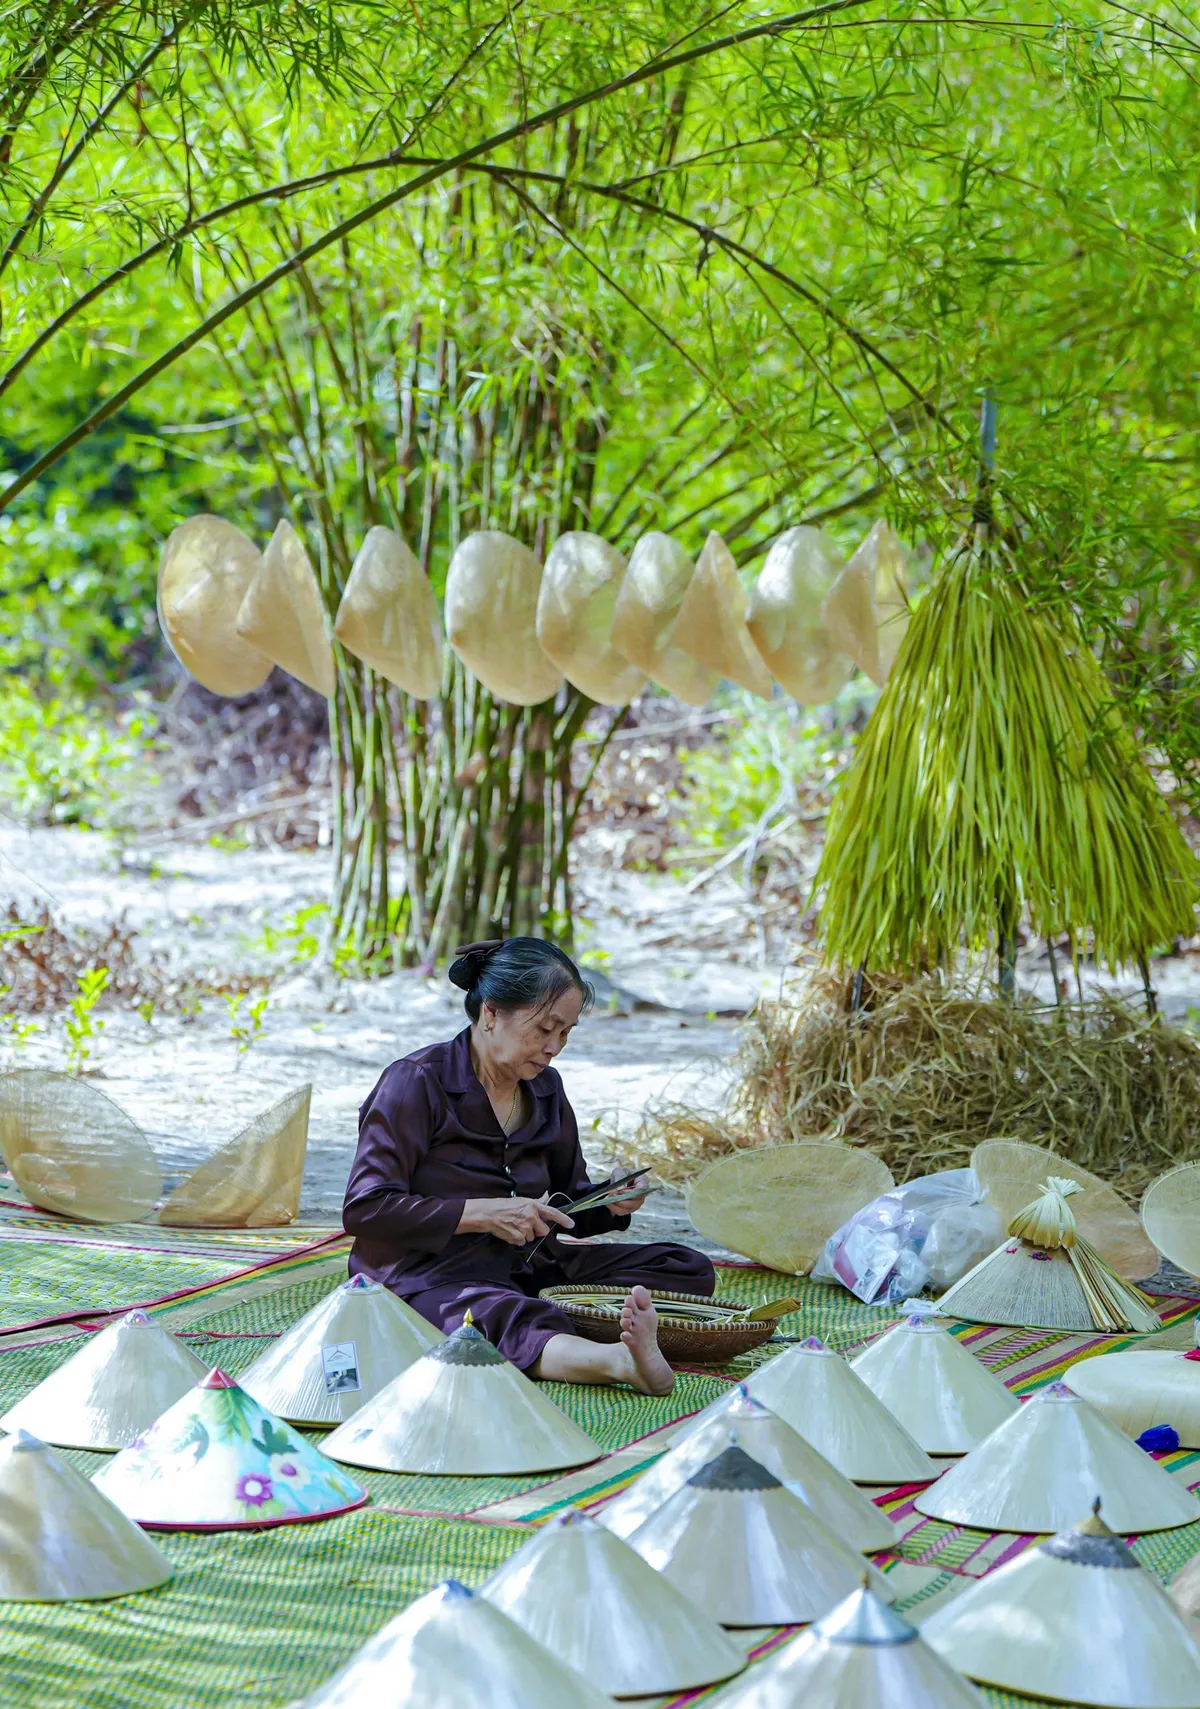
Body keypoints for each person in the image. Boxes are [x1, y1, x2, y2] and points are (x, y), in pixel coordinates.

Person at [343, 936, 716, 1394]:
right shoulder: (416, 1081)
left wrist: (610, 1200)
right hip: (431, 1274)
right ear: (492, 1013)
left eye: (566, 1033)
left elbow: (567, 1204)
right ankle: (615, 1360)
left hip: (530, 1268)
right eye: (545, 1029)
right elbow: (365, 1208)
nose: (555, 1046)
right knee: (492, 1310)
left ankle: (558, 1334)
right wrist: (483, 1213)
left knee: (684, 1268)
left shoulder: (546, 1089)